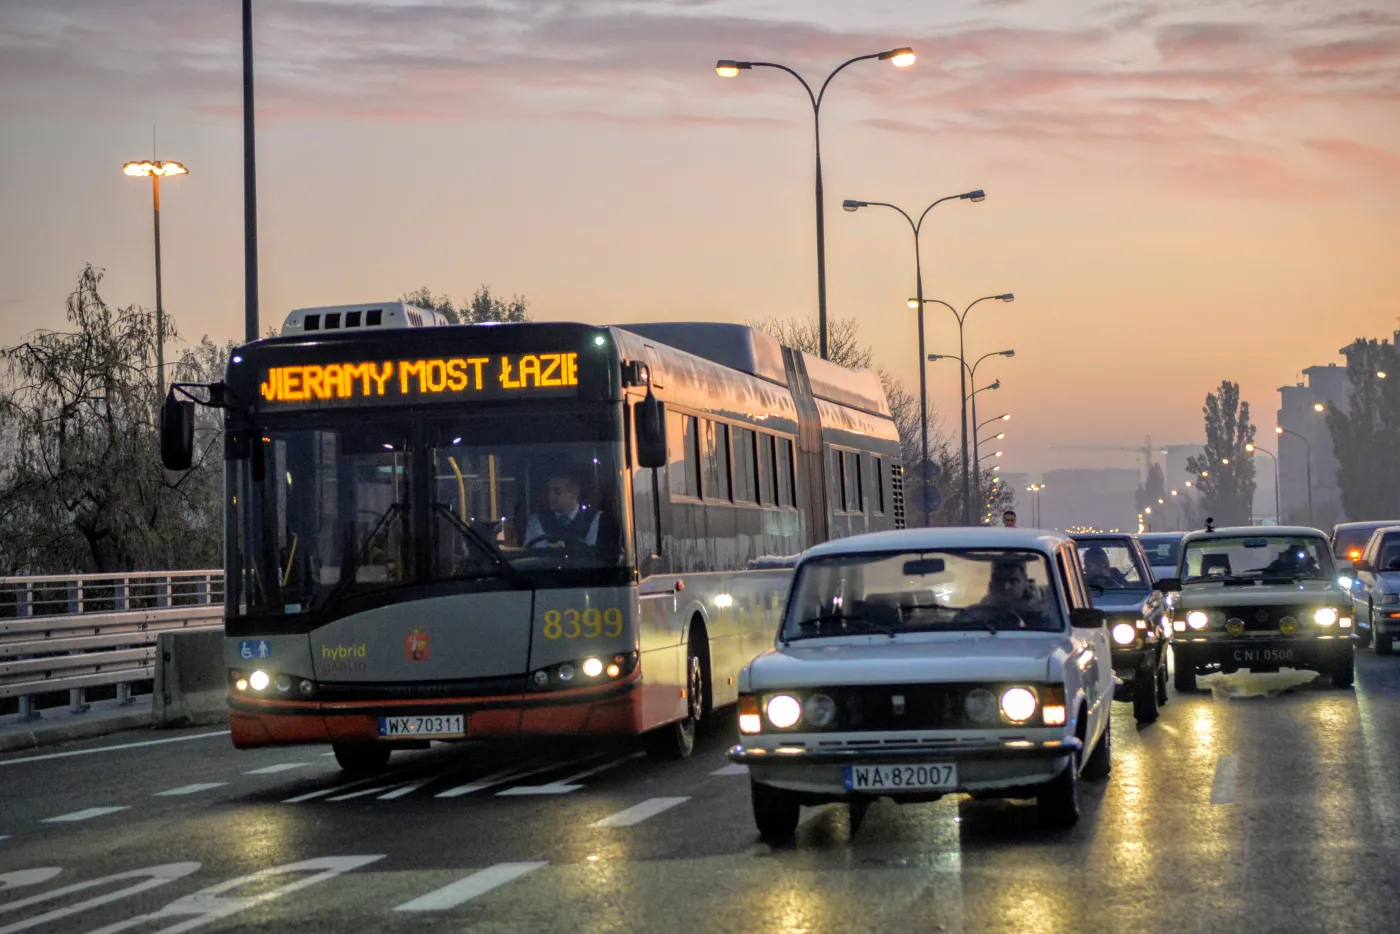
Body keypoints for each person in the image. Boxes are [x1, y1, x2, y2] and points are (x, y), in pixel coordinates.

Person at [524, 472, 610, 550]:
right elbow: (534, 555)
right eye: (549, 491)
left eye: (557, 492)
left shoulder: (594, 518)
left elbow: (593, 555)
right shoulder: (537, 520)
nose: (550, 496)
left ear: (574, 492)